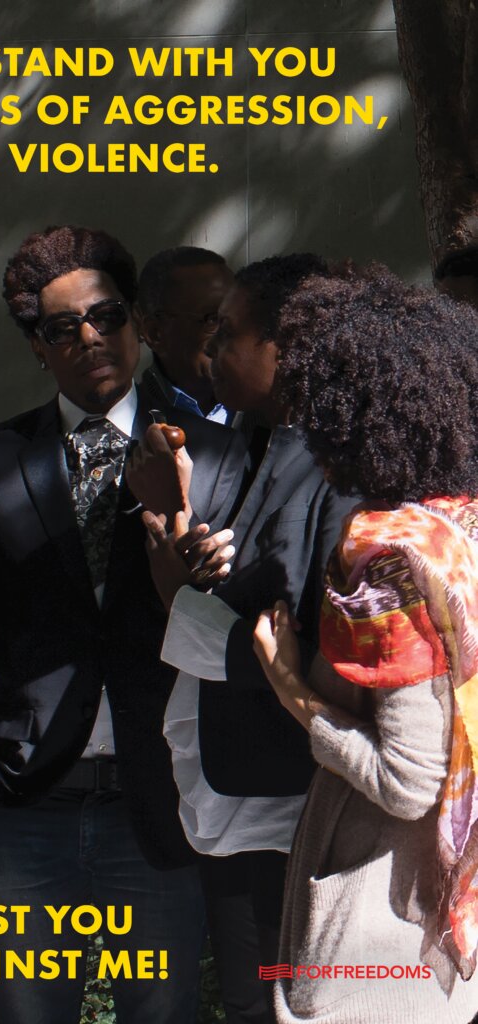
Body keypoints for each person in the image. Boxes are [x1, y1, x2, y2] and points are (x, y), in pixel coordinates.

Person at [0, 224, 252, 1024]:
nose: (91, 339)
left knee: (163, 1012)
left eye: (106, 317)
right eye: (63, 329)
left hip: (161, 796)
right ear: (37, 346)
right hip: (25, 800)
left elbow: (239, 619)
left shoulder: (215, 454)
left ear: (136, 322)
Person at [251, 265, 478, 1022]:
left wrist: (292, 690)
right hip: (450, 904)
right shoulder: (461, 529)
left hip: (383, 929)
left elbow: (406, 780)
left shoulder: (386, 557)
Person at [141, 254, 359, 1024]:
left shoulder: (331, 466)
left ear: (290, 350)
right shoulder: (281, 447)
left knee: (281, 1003)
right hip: (261, 799)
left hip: (293, 804)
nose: (212, 353)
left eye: (229, 333)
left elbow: (295, 643)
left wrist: (173, 577)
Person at [136, 246, 234, 423]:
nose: (229, 334)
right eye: (212, 319)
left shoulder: (269, 414)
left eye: (234, 318)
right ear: (155, 333)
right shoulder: (129, 424)